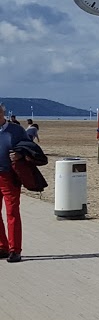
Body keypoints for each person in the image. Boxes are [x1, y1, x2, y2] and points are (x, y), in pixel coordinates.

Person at [0, 102, 28, 262]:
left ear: (2, 113)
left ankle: (15, 250)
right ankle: (2, 247)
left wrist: (19, 155)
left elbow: (29, 147)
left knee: (12, 212)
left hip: (9, 176)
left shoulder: (16, 130)